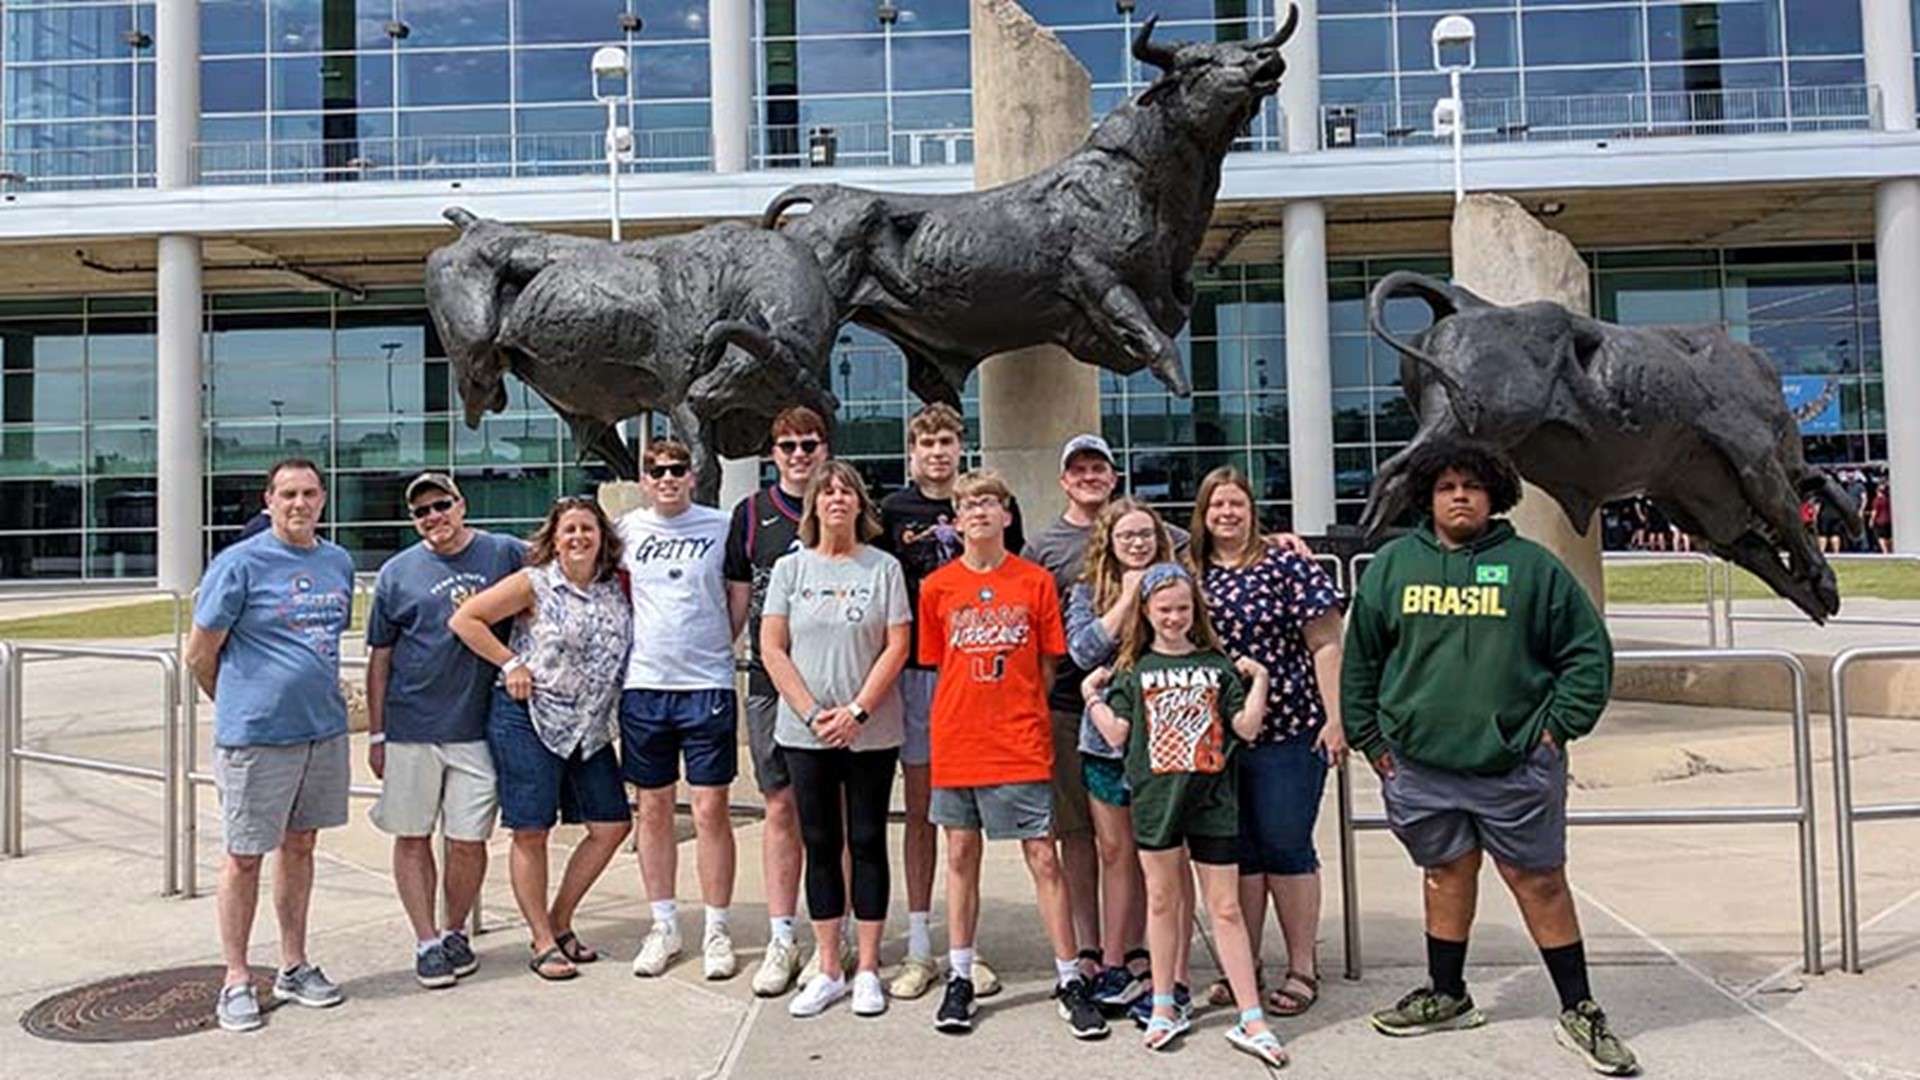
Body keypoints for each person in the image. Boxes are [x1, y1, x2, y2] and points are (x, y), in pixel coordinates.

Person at [1342, 439, 1635, 1076]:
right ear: (1428, 495)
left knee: (1539, 881)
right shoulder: (1394, 565)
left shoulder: (1533, 568)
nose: (1460, 496)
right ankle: (1447, 994)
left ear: (1493, 494)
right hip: (1420, 764)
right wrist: (1371, 741)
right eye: (1447, 486)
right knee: (1445, 874)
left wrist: (1556, 729)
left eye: (1472, 486)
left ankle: (1579, 1007)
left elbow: (1587, 654)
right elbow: (1361, 659)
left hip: (1515, 764)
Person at [916, 469, 1105, 1039]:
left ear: (1006, 514)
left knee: (1043, 858)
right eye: (968, 505)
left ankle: (1070, 977)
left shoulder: (1034, 582)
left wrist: (1019, 709)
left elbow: (1049, 665)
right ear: (955, 519)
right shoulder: (937, 588)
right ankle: (961, 975)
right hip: (958, 739)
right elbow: (937, 663)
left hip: (1019, 738)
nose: (979, 513)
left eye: (990, 503)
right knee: (960, 858)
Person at [1082, 562, 1285, 1067]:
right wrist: (1091, 696)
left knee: (1227, 908)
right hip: (1156, 804)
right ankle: (1165, 1003)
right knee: (1162, 903)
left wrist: (1259, 678)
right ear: (1147, 613)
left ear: (1195, 611)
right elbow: (1117, 734)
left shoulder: (1217, 665)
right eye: (1164, 609)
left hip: (1213, 803)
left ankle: (1252, 1015)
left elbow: (1247, 727)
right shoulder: (1133, 670)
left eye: (1182, 608)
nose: (1173, 617)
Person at [184, 458, 356, 1032]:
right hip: (257, 739)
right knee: (243, 856)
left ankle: (294, 964)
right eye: (288, 495)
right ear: (269, 501)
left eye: (309, 493)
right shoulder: (238, 564)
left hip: (322, 732)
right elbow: (199, 654)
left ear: (323, 499)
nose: (299, 504)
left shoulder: (338, 563)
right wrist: (239, 703)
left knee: (301, 847)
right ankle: (235, 977)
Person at [449, 496, 633, 982]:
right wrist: (510, 663)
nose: (578, 538)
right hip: (528, 718)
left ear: (602, 538)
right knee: (531, 829)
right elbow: (465, 619)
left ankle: (560, 918)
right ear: (553, 539)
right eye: (568, 530)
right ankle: (542, 939)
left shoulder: (616, 588)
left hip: (590, 730)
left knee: (612, 825)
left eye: (587, 529)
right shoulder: (533, 584)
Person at [875, 403, 1023, 1000]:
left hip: (978, 676)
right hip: (914, 674)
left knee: (965, 820)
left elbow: (1019, 576)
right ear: (912, 452)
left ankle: (966, 946)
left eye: (947, 441)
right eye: (927, 442)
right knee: (920, 812)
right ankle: (918, 945)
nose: (938, 452)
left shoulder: (985, 504)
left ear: (961, 447)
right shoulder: (891, 512)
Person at [1190, 465, 1345, 1020]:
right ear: (1202, 515)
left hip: (1289, 729)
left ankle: (1302, 966)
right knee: (1239, 855)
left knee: (1286, 846)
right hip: (1219, 739)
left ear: (1252, 510)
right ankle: (1243, 966)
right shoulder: (1191, 570)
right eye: (1216, 506)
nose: (1226, 514)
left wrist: (1336, 718)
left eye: (1236, 504)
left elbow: (1326, 640)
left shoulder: (1284, 564)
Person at [760, 461, 913, 1018]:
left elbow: (897, 645)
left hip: (870, 729)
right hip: (805, 731)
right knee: (820, 844)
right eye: (827, 492)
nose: (837, 500)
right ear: (814, 506)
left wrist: (856, 710)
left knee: (869, 840)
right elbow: (772, 647)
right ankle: (828, 967)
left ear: (859, 504)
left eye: (847, 491)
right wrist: (811, 711)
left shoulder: (884, 568)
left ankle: (868, 968)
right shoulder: (790, 569)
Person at [366, 472, 526, 988]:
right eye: (422, 512)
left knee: (467, 839)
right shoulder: (396, 573)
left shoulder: (503, 553)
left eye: (441, 505)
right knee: (412, 836)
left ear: (461, 504)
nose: (433, 517)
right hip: (412, 726)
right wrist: (376, 733)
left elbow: (558, 565)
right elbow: (380, 658)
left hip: (478, 727)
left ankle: (456, 929)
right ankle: (427, 939)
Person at [1020, 434, 1147, 997]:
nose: (1089, 476)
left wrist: (1283, 540)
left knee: (1132, 838)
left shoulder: (1153, 536)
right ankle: (1090, 944)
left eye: (1099, 468)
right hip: (1071, 708)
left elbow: (1216, 544)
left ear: (1114, 476)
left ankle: (1135, 944)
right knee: (1077, 836)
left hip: (1142, 713)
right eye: (1079, 469)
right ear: (1064, 480)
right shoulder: (1044, 546)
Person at [621, 438, 749, 980]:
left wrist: (723, 642)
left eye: (677, 470)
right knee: (652, 810)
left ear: (693, 476)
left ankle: (716, 927)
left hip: (707, 685)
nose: (668, 478)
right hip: (646, 684)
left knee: (709, 809)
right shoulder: (626, 530)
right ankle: (665, 924)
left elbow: (738, 592)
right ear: (645, 480)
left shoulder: (721, 526)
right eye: (657, 471)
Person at [724, 405, 829, 996]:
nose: (798, 455)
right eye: (787, 446)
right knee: (780, 808)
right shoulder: (753, 514)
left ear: (824, 448)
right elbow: (739, 604)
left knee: (832, 812)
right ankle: (782, 935)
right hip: (769, 683)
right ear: (773, 453)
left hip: (833, 686)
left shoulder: (844, 505)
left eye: (808, 444)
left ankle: (829, 933)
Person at [1050, 495, 1168, 1014]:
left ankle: (1157, 962)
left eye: (1145, 534)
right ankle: (1115, 957)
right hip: (1104, 743)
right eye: (1127, 536)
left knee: (1161, 855)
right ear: (1110, 543)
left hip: (1165, 741)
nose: (1137, 543)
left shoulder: (1178, 583)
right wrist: (1129, 596)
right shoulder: (1086, 590)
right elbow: (1082, 651)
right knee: (1114, 851)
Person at [1870, 481, 1893, 554]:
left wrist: (1871, 521)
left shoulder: (1876, 500)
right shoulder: (1888, 499)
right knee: (1888, 537)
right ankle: (1890, 550)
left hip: (1879, 521)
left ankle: (1885, 551)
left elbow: (1874, 512)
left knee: (1880, 537)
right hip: (1888, 520)